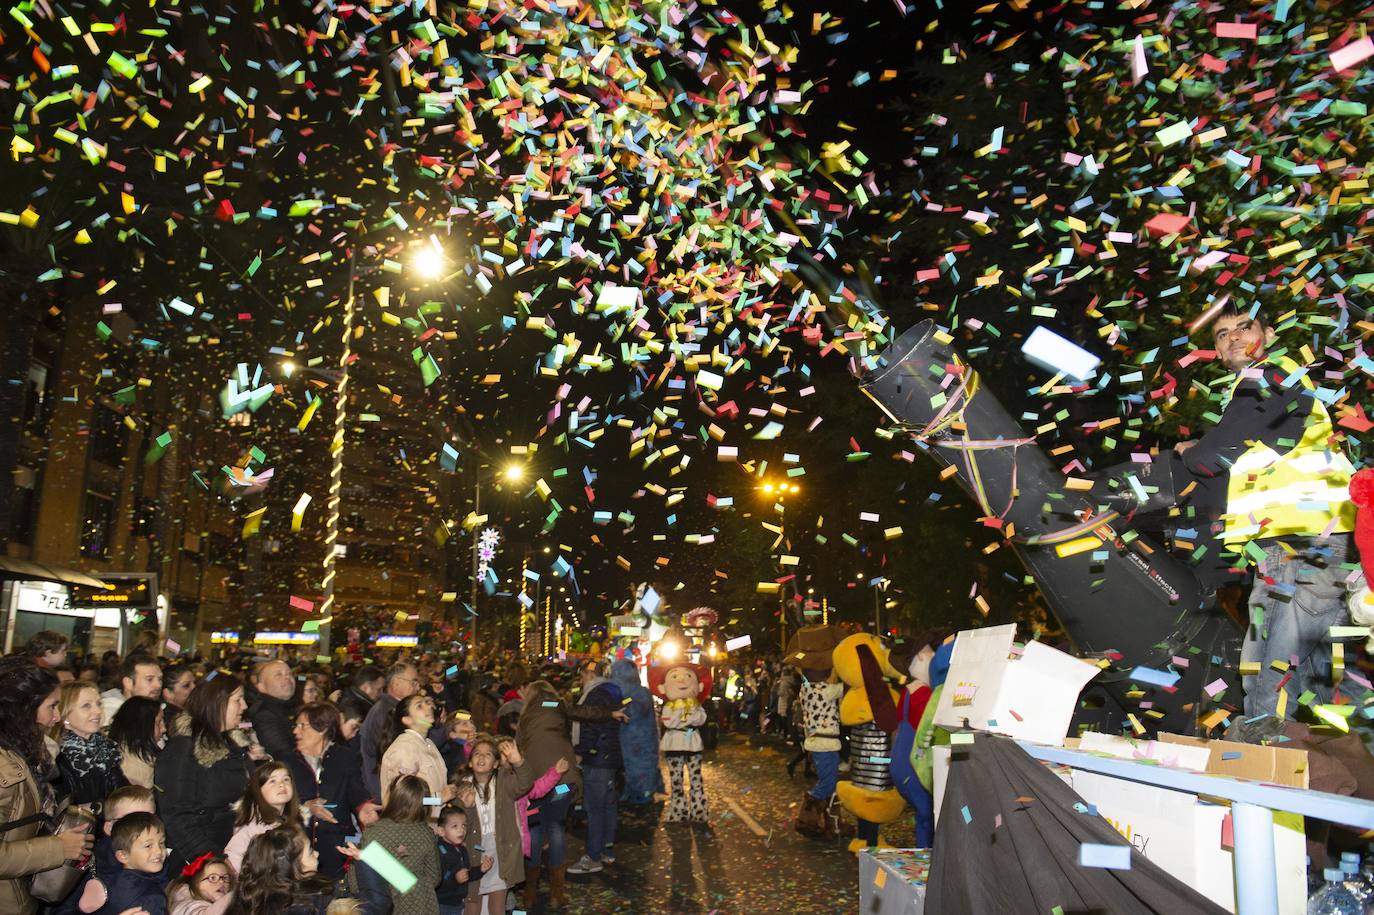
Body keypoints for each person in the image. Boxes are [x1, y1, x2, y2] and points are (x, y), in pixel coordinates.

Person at [1175, 308, 1356, 717]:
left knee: (1269, 660)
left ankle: (1261, 744)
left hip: (1293, 543)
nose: (1234, 338)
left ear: (1268, 334)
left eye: (1244, 327)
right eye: (1222, 335)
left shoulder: (1267, 376)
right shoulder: (1291, 383)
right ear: (1218, 352)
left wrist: (1189, 453)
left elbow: (1212, 457)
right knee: (1315, 675)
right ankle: (1327, 760)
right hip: (1328, 540)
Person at [0, 656, 93, 913]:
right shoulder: (5, 762)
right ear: (25, 708)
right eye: (52, 707)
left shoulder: (25, 753)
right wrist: (57, 848)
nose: (56, 717)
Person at [156, 674, 259, 868]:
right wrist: (213, 861)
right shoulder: (184, 749)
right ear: (217, 703)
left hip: (234, 850)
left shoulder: (233, 745)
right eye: (237, 700)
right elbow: (177, 815)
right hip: (201, 862)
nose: (244, 706)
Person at [287, 702, 375, 879]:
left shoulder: (345, 756)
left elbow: (355, 791)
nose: (295, 731)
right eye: (295, 726)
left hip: (337, 847)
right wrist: (306, 807)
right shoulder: (288, 761)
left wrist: (364, 807)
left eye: (301, 726)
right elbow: (278, 804)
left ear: (322, 728)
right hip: (298, 849)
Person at [454, 736, 535, 915]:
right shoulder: (462, 788)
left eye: (488, 754)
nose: (481, 758)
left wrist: (518, 762)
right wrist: (466, 808)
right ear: (469, 763)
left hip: (500, 849)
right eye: (476, 754)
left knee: (498, 903)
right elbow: (457, 824)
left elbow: (526, 783)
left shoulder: (504, 781)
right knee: (473, 902)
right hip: (475, 850)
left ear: (497, 763)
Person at [344, 775, 439, 915]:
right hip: (420, 907)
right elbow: (434, 877)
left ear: (393, 798)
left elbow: (355, 882)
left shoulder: (373, 833)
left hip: (385, 907)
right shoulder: (427, 834)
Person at [566, 661, 623, 875]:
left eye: (582, 676)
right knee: (608, 805)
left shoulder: (596, 694)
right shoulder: (611, 691)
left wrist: (582, 751)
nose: (581, 680)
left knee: (595, 808)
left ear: (589, 674)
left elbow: (590, 724)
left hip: (597, 757)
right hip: (608, 757)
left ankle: (593, 856)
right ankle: (607, 850)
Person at [72, 784, 156, 915]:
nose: (144, 829)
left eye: (150, 820)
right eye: (131, 821)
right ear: (109, 828)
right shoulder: (89, 866)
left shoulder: (158, 858)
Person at [227, 824, 335, 915]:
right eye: (310, 853)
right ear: (290, 868)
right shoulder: (304, 907)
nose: (317, 854)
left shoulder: (252, 899)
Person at [53, 681, 128, 805]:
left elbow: (122, 792)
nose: (97, 711)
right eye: (86, 706)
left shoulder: (106, 748)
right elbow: (63, 808)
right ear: (65, 716)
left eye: (99, 704)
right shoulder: (57, 757)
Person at [378, 694, 453, 814]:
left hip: (430, 825)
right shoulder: (405, 747)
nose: (428, 707)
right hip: (410, 827)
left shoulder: (428, 743)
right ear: (407, 719)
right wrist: (438, 799)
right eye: (419, 706)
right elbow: (401, 800)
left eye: (427, 703)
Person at [224, 761, 302, 872]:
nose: (281, 784)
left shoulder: (290, 823)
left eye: (286, 779)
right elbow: (232, 863)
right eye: (272, 781)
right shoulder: (252, 827)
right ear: (258, 790)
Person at [360, 663, 420, 804]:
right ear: (396, 683)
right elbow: (397, 757)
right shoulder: (386, 712)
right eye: (414, 682)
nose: (418, 688)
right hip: (386, 795)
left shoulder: (393, 709)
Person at [609, 658, 658, 806]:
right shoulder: (631, 692)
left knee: (641, 768)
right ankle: (633, 792)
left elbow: (635, 712)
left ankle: (643, 794)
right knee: (631, 767)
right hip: (629, 740)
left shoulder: (640, 693)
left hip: (640, 741)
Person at [99, 810, 168, 915]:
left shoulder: (116, 881)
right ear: (123, 856)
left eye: (161, 843)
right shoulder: (149, 898)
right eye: (148, 846)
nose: (159, 851)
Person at [434, 804, 488, 915]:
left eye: (464, 825)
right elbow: (436, 880)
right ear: (441, 831)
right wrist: (455, 878)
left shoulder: (461, 849)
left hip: (457, 903)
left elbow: (466, 874)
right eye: (455, 826)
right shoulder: (439, 851)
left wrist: (481, 869)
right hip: (442, 904)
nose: (461, 830)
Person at [246, 661, 298, 764]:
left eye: (289, 674)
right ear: (261, 686)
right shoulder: (264, 715)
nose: (287, 677)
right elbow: (281, 754)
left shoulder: (292, 707)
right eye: (278, 675)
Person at [109, 696, 164, 789]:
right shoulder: (134, 770)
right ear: (142, 726)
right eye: (159, 723)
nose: (164, 729)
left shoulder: (142, 754)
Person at [100, 653, 162, 729]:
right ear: (128, 683)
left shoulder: (156, 712)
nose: (158, 685)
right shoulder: (108, 716)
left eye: (160, 679)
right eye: (149, 679)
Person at [167, 852, 234, 915]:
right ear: (195, 882)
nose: (221, 882)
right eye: (213, 878)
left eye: (225, 878)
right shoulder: (189, 907)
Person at [162, 665, 196, 733]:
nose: (194, 687)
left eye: (195, 682)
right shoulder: (173, 721)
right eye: (186, 685)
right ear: (168, 693)